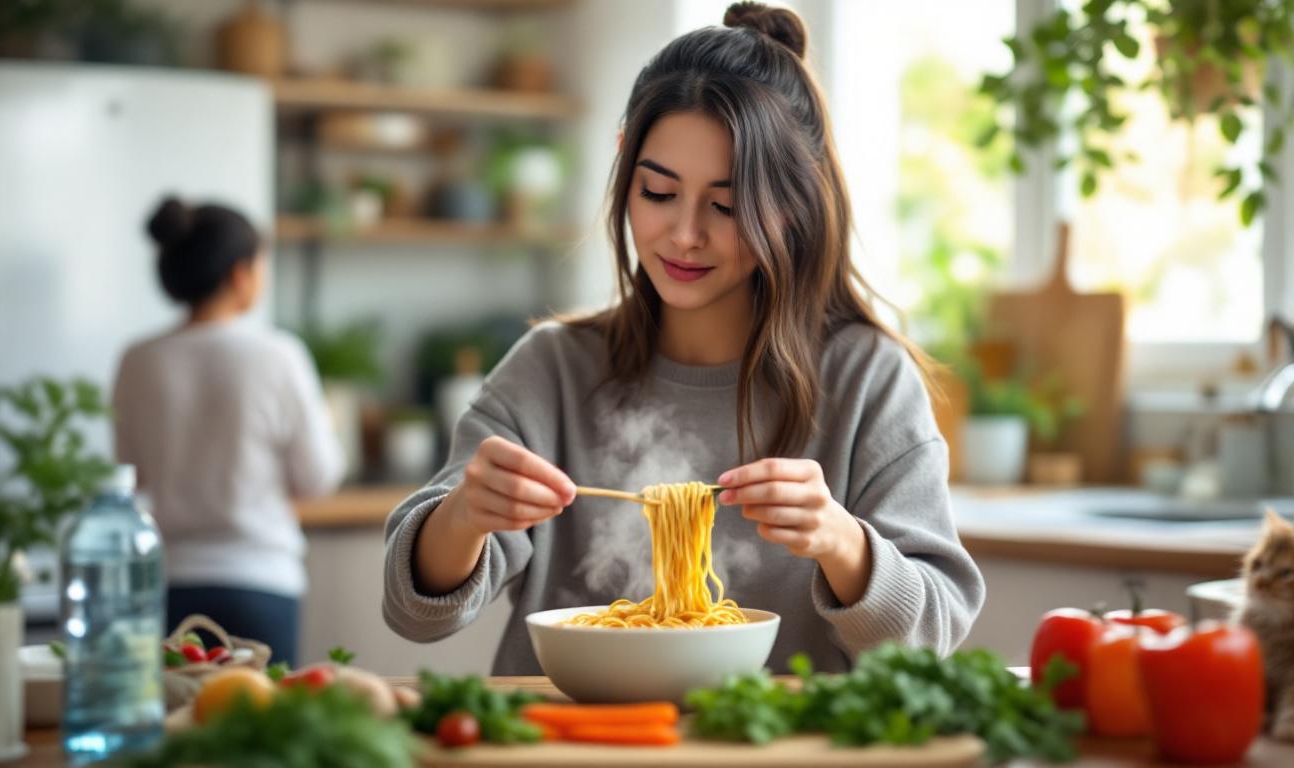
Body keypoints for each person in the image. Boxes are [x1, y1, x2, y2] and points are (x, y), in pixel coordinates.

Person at [382, 2, 984, 674]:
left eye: (726, 205)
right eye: (658, 193)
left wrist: (843, 542)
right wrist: (464, 515)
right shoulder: (552, 369)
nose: (685, 234)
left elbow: (931, 640)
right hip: (570, 741)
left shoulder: (866, 379)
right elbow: (415, 613)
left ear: (793, 203)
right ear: (624, 166)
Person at [112, 197, 344, 665]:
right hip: (261, 586)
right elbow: (318, 479)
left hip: (167, 588)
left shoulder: (138, 360)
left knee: (177, 729)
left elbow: (131, 479)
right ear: (240, 274)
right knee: (259, 728)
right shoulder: (278, 355)